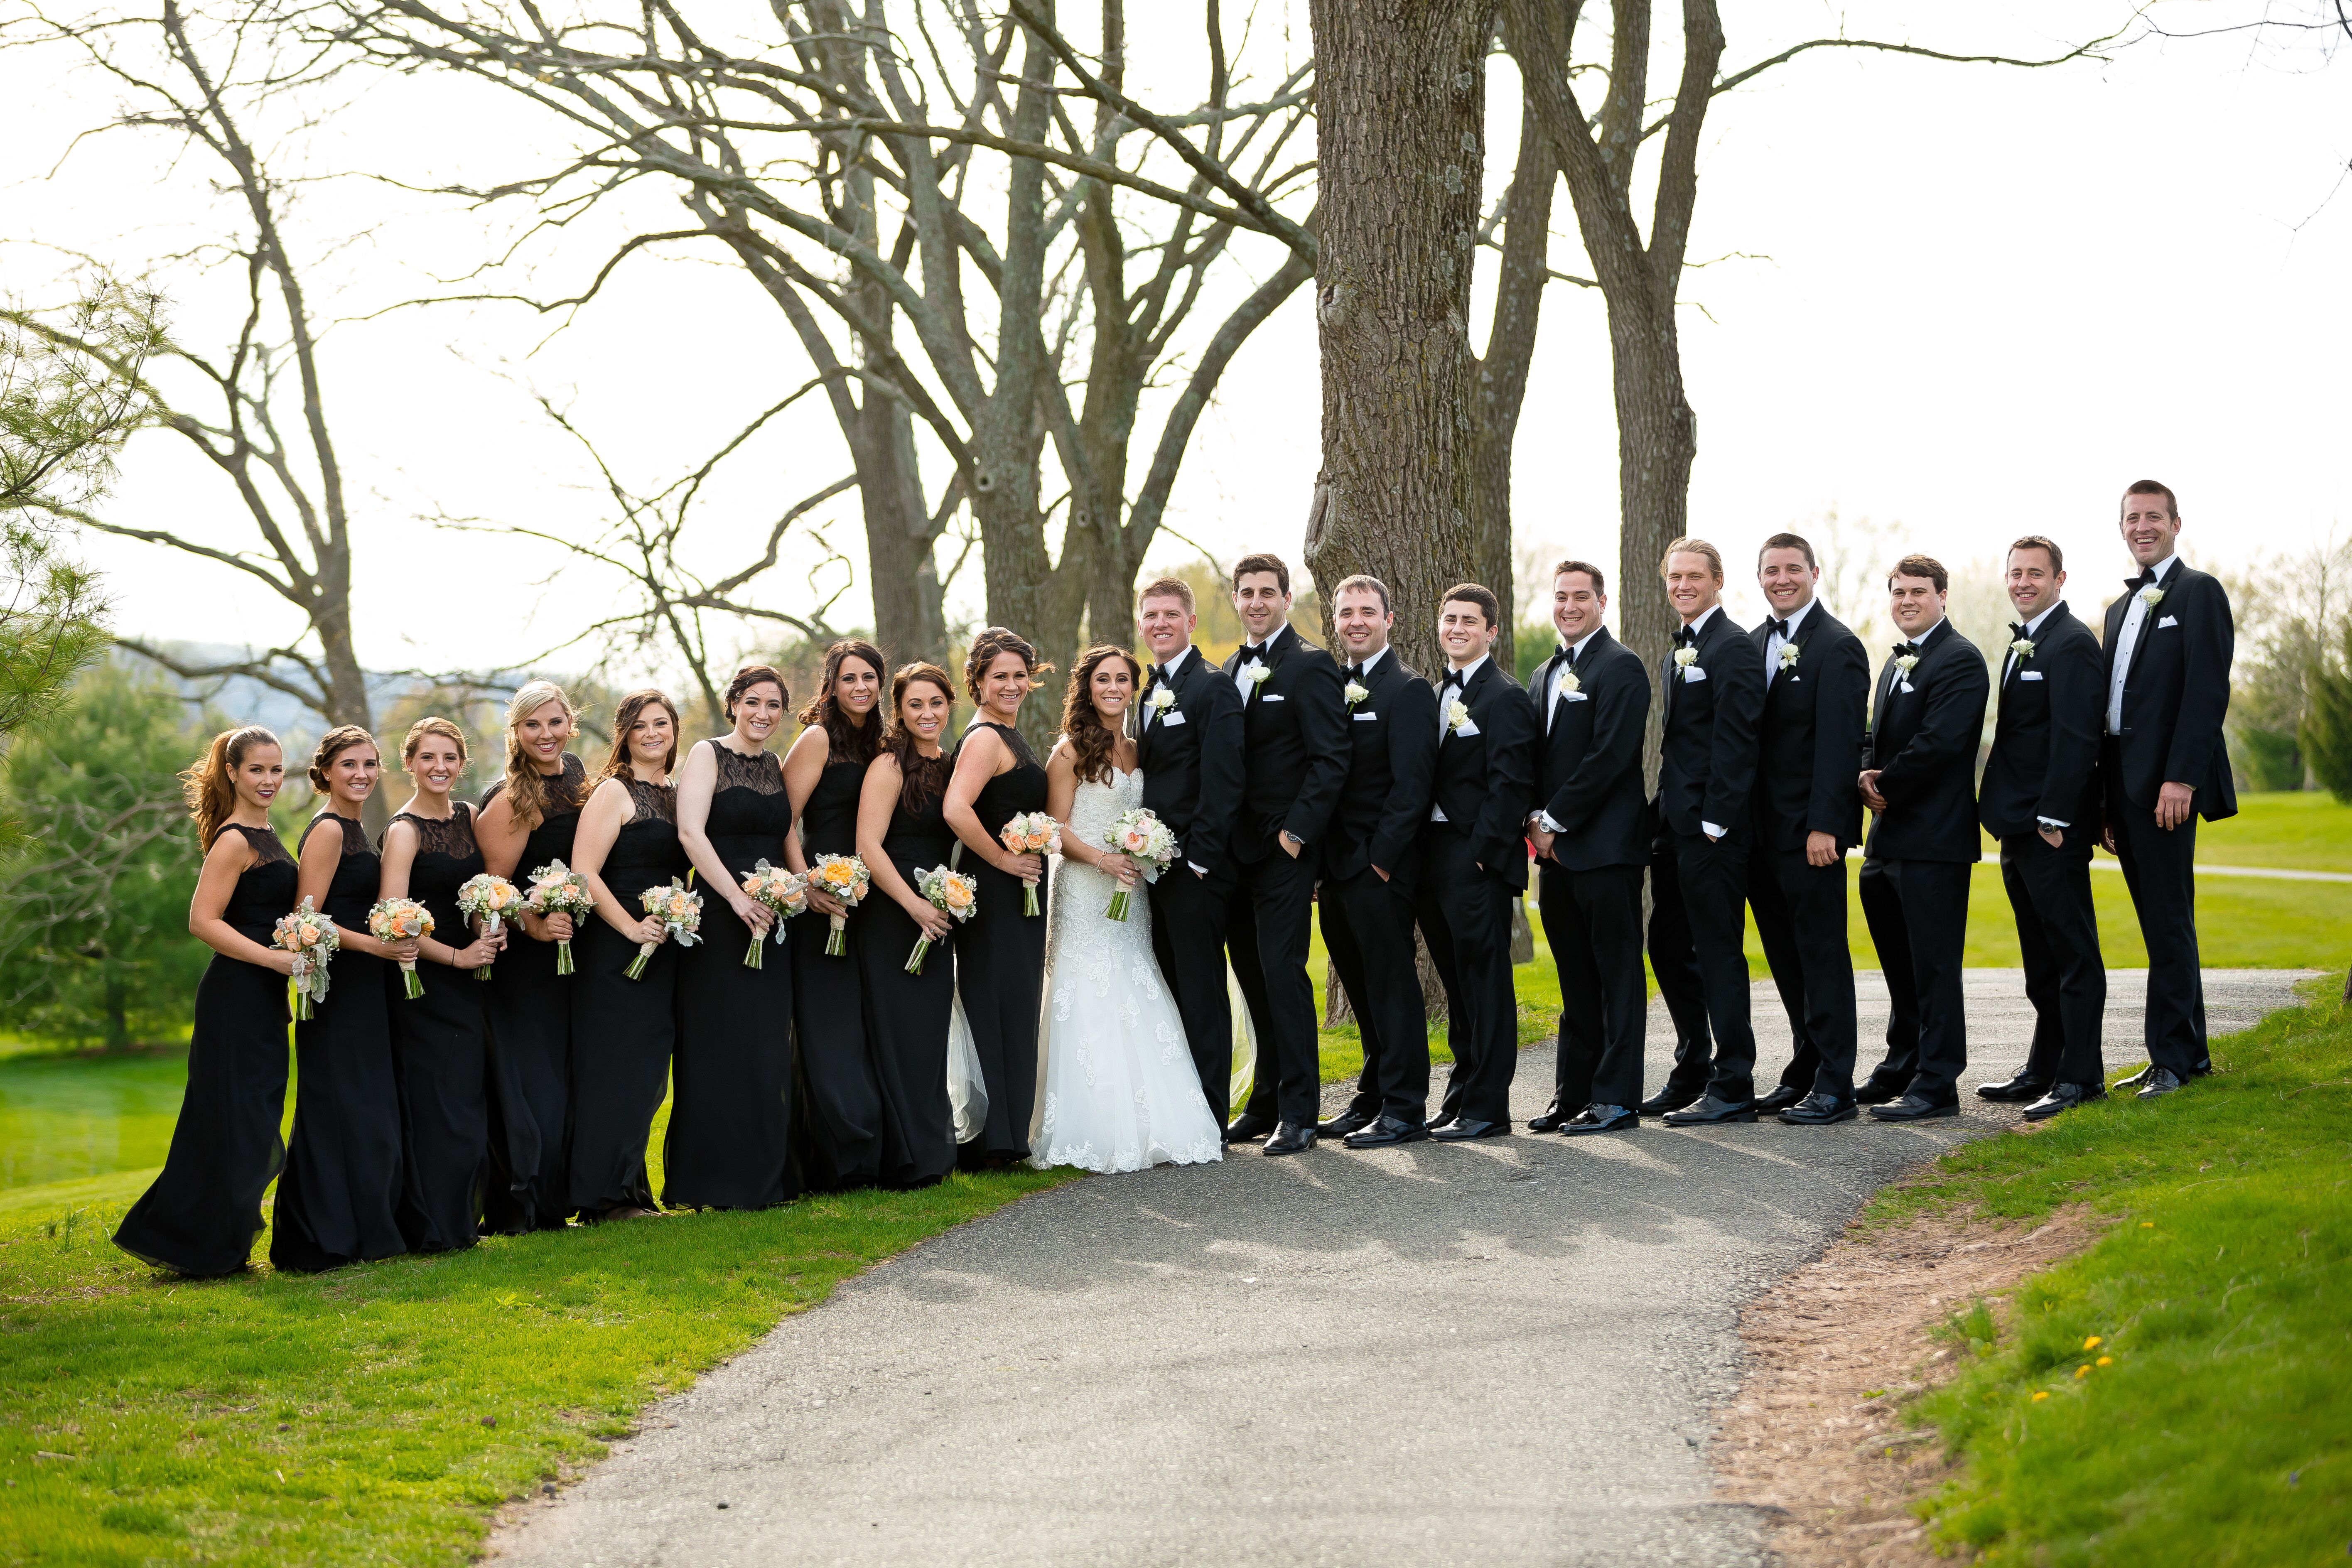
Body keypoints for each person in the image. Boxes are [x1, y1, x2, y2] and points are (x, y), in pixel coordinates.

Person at [1030, 645, 1226, 1172]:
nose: (1113, 687)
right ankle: (1094, 1120)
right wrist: (1103, 859)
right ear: (1087, 688)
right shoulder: (1070, 751)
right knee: (1091, 989)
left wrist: (1145, 850)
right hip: (1087, 887)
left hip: (1132, 891)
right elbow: (1054, 830)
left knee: (1138, 982)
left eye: (1122, 679)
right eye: (1103, 679)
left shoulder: (1138, 749)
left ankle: (1159, 1119)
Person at [115, 728, 300, 1276]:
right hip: (235, 998)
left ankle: (219, 1241)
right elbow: (202, 920)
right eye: (257, 770)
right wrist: (271, 959)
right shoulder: (235, 838)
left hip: (264, 998)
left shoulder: (268, 833)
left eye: (276, 770)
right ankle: (199, 1245)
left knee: (251, 1115)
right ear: (233, 774)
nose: (268, 780)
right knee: (231, 1120)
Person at [2099, 480, 2236, 1101]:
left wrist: (2180, 776)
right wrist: (2105, 800)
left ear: (2175, 524)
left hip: (2165, 789)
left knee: (2168, 921)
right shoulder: (2116, 610)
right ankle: (2191, 1052)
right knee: (2159, 925)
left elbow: (2206, 692)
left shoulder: (2199, 592)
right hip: (2124, 791)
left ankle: (2172, 1060)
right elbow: (2112, 709)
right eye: (2132, 517)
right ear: (2122, 527)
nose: (2142, 526)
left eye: (2153, 516)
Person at [1220, 553, 1348, 1157]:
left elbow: (1331, 758)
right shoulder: (1228, 669)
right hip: (1233, 854)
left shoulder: (1310, 665)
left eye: (1266, 592)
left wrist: (1297, 834)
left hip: (1283, 851)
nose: (1255, 602)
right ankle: (1265, 1099)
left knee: (1283, 972)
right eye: (1245, 592)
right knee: (1251, 977)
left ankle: (1299, 1112)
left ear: (1286, 598)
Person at [1978, 536, 2108, 1120]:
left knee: (2072, 953)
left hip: (2050, 827)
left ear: (2059, 578)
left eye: (2035, 573)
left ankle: (2080, 1077)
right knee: (2039, 959)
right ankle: (2043, 1065)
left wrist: (2056, 818)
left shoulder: (2074, 643)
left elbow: (2078, 737)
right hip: (2017, 825)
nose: (2023, 582)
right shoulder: (2025, 641)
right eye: (2015, 573)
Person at [1857, 555, 1991, 1121]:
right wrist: (1863, 770)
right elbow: (1874, 733)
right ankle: (1902, 1062)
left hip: (1934, 841)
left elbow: (1940, 743)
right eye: (1898, 591)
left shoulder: (1960, 660)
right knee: (1899, 966)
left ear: (1942, 595)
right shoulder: (1894, 663)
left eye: (1918, 590)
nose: (1906, 599)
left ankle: (1937, 1081)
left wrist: (1884, 780)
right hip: (1885, 840)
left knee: (1934, 966)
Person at [270, 726, 409, 1273]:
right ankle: (321, 1238)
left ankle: (364, 1228)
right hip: (338, 989)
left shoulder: (357, 827)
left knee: (364, 1107)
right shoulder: (329, 829)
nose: (362, 773)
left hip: (366, 985)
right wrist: (377, 943)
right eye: (350, 763)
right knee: (338, 1107)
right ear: (325, 770)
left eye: (371, 763)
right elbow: (307, 918)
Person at [1743, 535, 1871, 1126]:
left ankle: (1835, 1082)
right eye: (1771, 569)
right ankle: (1803, 1067)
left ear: (1814, 572)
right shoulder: (1752, 644)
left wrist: (1827, 825)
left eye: (1793, 568)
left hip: (1809, 835)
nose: (1782, 578)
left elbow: (1839, 745)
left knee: (1821, 956)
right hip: (1759, 836)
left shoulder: (1837, 646)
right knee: (1785, 959)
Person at [1523, 560, 1652, 1136]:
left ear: (1603, 601)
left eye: (1581, 596)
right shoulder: (1543, 672)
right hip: (1553, 854)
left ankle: (1615, 1098)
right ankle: (1571, 1093)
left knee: (1617, 977)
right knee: (1575, 978)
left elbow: (1610, 756)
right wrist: (1531, 818)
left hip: (1605, 850)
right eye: (1561, 596)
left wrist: (1553, 817)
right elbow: (1532, 757)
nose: (1570, 606)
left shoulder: (1621, 667)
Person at [1313, 574, 1439, 1149]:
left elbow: (1412, 787)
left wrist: (1381, 863)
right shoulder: (1331, 683)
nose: (1356, 620)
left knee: (1391, 987)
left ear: (1389, 618)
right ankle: (1371, 1095)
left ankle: (1406, 1107)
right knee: (1361, 993)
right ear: (1334, 620)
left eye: (1367, 610)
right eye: (1346, 612)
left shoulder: (1406, 689)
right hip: (1332, 871)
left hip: (1377, 869)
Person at [1643, 539, 1767, 1126]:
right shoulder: (1680, 650)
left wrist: (1717, 819)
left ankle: (1734, 1081)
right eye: (1675, 576)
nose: (1683, 585)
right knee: (1666, 945)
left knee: (1718, 953)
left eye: (1695, 575)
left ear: (1718, 580)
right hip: (1673, 825)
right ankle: (1692, 1065)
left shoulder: (1733, 646)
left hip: (1713, 830)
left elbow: (1738, 739)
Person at [669, 665, 799, 1209]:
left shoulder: (774, 763)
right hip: (724, 920)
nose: (762, 714)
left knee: (765, 1047)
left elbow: (785, 830)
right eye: (753, 702)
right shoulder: (707, 753)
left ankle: (764, 1178)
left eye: (773, 705)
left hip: (772, 918)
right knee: (717, 1047)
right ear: (733, 704)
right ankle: (711, 1183)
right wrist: (737, 898)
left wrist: (798, 886)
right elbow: (690, 833)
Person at [1416, 582, 1539, 1141]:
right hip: (1432, 857)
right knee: (1456, 984)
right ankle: (1461, 1091)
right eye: (1450, 619)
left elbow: (1510, 784)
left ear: (1491, 630)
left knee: (1485, 984)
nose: (1458, 627)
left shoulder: (1504, 695)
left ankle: (1489, 1106)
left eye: (1470, 620)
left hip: (1475, 860)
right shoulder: (1437, 691)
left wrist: (1482, 858)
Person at [376, 718, 504, 1252]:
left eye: (449, 758)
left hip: (471, 976)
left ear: (462, 763)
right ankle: (432, 1227)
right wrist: (456, 955)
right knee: (436, 1103)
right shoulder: (404, 831)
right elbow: (390, 917)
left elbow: (475, 890)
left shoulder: (468, 815)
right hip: (424, 980)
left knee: (467, 1100)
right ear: (409, 763)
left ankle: (462, 1218)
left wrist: (487, 923)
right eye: (428, 757)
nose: (439, 768)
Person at [567, 690, 687, 1221]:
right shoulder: (614, 792)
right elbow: (584, 872)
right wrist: (632, 928)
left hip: (661, 947)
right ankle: (600, 1197)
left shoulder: (678, 792)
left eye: (661, 723)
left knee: (645, 1073)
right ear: (625, 734)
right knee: (615, 1069)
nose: (652, 733)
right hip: (615, 948)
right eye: (640, 726)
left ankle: (630, 1189)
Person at [1133, 577, 1247, 1128]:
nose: (1160, 623)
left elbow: (1225, 780)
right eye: (1151, 614)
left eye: (1170, 614)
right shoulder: (1148, 689)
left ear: (1191, 621)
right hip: (1154, 869)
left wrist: (1200, 859)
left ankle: (1209, 1113)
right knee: (1170, 987)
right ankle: (1180, 1109)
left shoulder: (1211, 686)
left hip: (1196, 870)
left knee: (1201, 991)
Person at [475, 682, 588, 1232]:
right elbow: (493, 888)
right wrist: (538, 925)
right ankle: (529, 1204)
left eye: (554, 722)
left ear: (571, 723)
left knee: (570, 1075)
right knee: (535, 1080)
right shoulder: (511, 797)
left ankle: (572, 1192)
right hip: (526, 962)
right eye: (532, 725)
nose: (545, 735)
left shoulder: (580, 779)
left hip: (576, 952)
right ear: (516, 733)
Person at [943, 628, 1053, 1168]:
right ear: (978, 682)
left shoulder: (1010, 733)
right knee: (997, 1005)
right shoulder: (986, 737)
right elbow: (956, 809)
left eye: (1018, 675)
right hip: (994, 896)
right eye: (999, 676)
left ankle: (1009, 1131)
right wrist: (1004, 860)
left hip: (1019, 896)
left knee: (1014, 1005)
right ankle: (994, 1137)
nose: (1011, 684)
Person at [782, 640, 888, 1190]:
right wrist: (807, 888)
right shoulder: (818, 738)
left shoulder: (882, 744)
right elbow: (783, 818)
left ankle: (871, 1148)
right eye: (849, 678)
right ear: (831, 684)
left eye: (869, 677)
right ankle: (838, 1156)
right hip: (822, 901)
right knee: (829, 1028)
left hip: (870, 903)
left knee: (864, 1025)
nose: (860, 687)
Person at [857, 664, 962, 1188]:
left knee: (928, 1033)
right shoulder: (888, 765)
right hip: (892, 914)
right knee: (896, 1033)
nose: (927, 714)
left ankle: (932, 1148)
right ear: (899, 710)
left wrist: (946, 901)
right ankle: (901, 1156)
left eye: (936, 704)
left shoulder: (952, 763)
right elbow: (868, 845)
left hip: (939, 916)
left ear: (949, 706)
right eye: (916, 705)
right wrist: (913, 905)